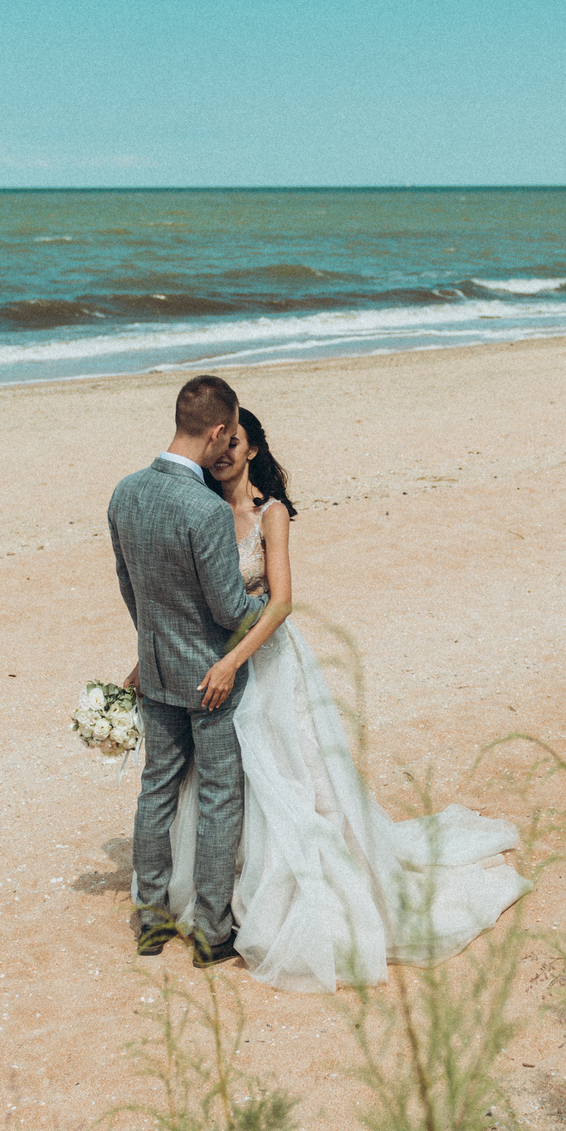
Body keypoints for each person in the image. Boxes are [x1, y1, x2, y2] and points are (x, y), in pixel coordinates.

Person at [152, 405, 529, 992]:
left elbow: (280, 603)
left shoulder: (268, 514)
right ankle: (218, 895)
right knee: (225, 779)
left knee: (291, 776)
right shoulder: (198, 510)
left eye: (237, 445)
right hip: (211, 661)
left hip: (266, 661)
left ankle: (300, 892)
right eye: (220, 444)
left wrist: (233, 658)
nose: (224, 454)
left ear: (252, 450)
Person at [106, 374, 266, 967]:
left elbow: (131, 589)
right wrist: (269, 607)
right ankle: (211, 931)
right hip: (210, 677)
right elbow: (228, 608)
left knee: (158, 788)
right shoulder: (204, 509)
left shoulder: (124, 493)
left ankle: (150, 918)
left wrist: (150, 645)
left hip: (156, 665)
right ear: (220, 429)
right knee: (221, 796)